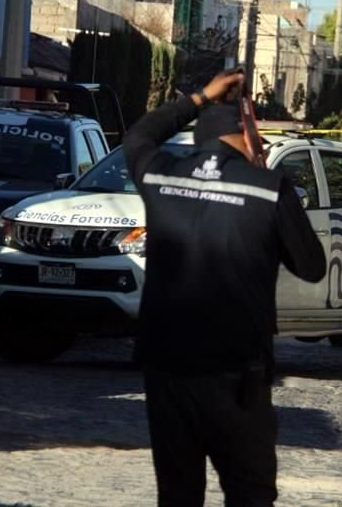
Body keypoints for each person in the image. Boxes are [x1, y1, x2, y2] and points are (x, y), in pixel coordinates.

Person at [123, 68, 327, 507]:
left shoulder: (161, 178)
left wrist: (198, 97)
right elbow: (312, 267)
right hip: (237, 378)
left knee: (178, 495)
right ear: (246, 133)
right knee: (250, 494)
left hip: (167, 373)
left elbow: (139, 135)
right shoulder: (269, 190)